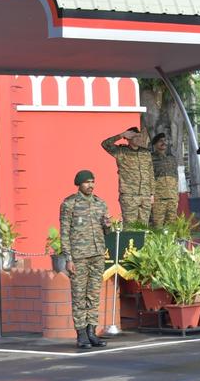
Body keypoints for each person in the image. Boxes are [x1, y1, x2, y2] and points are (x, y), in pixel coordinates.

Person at [59, 170, 111, 350]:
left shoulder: (100, 203)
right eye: (87, 182)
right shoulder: (69, 204)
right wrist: (68, 258)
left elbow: (106, 233)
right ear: (79, 184)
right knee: (79, 296)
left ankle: (92, 332)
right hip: (79, 257)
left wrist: (108, 226)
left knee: (94, 295)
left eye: (93, 182)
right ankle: (81, 334)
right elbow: (64, 232)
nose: (91, 185)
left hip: (97, 255)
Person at [102, 128, 154, 225]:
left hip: (145, 196)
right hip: (129, 196)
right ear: (128, 138)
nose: (138, 139)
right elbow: (105, 144)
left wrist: (152, 193)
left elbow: (150, 173)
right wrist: (121, 135)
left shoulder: (145, 153)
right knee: (130, 227)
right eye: (134, 137)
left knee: (144, 227)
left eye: (139, 136)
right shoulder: (121, 152)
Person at [149, 134, 180, 229]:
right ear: (154, 145)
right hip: (158, 197)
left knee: (171, 225)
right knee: (157, 225)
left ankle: (170, 243)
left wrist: (176, 195)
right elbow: (149, 177)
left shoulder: (172, 158)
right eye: (160, 141)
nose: (163, 142)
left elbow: (176, 176)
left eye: (164, 140)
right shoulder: (150, 158)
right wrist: (151, 194)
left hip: (172, 196)